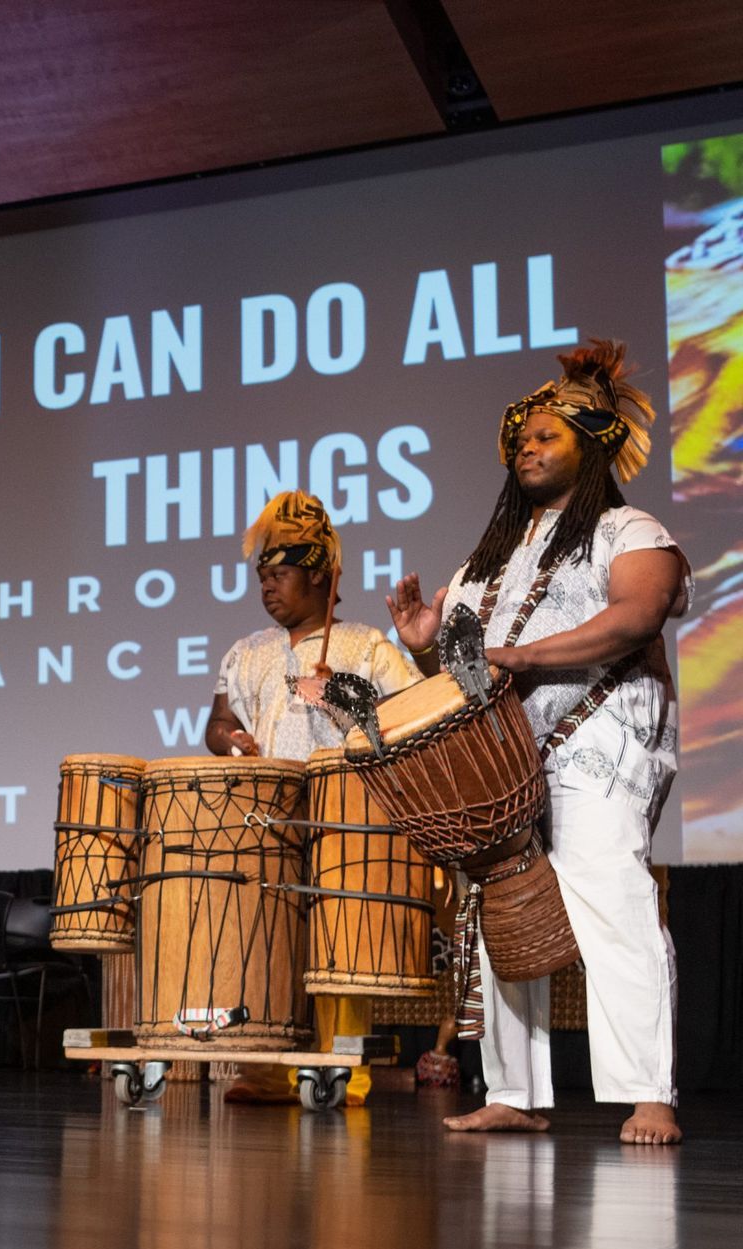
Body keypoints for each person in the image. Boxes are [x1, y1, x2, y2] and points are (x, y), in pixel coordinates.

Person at [388, 340, 689, 1145]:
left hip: (606, 735)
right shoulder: (495, 558)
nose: (527, 446)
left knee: (608, 895)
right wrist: (424, 640)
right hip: (518, 757)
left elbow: (637, 613)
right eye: (521, 438)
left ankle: (647, 1092)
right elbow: (463, 664)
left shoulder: (629, 528)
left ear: (589, 446)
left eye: (547, 435)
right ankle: (515, 1088)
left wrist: (519, 655)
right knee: (506, 908)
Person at [206, 490, 419, 1105]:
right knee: (269, 941)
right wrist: (230, 740)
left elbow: (409, 716)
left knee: (339, 938)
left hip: (343, 816)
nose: (268, 588)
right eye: (262, 577)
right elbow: (217, 723)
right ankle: (270, 1068)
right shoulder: (244, 652)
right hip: (269, 817)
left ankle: (341, 1070)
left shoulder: (366, 645)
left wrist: (345, 694)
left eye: (281, 575)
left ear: (323, 575)